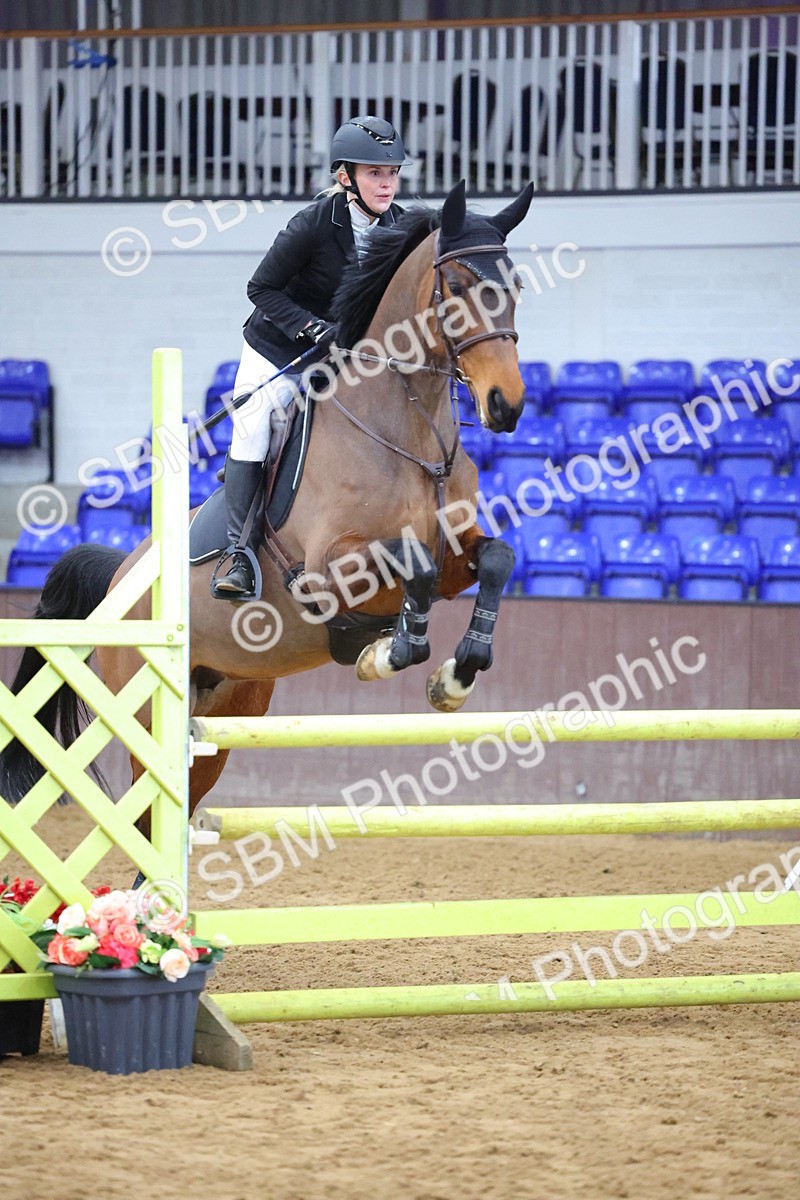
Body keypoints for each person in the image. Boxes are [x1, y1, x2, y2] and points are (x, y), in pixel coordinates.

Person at [214, 114, 413, 599]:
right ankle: (238, 554)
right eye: (374, 173)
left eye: (391, 173)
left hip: (345, 355)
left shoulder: (402, 226)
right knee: (254, 424)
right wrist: (311, 327)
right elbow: (260, 288)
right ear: (345, 177)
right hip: (280, 346)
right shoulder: (313, 224)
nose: (386, 184)